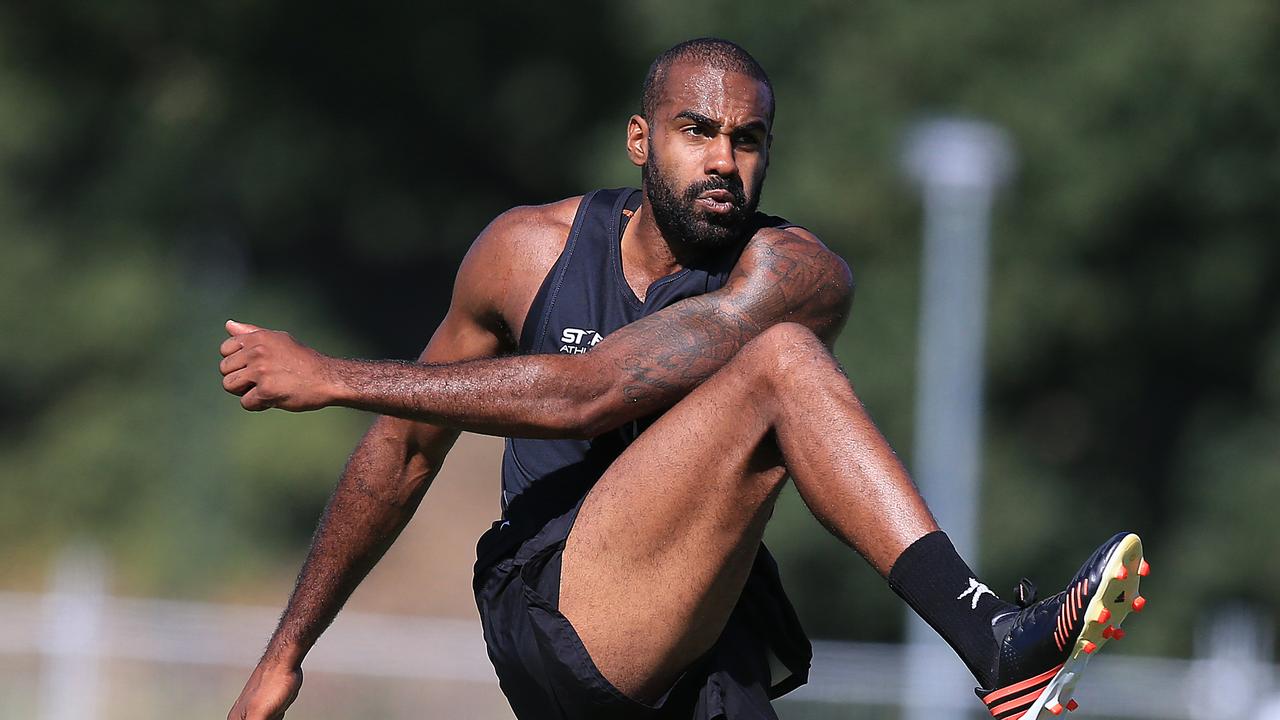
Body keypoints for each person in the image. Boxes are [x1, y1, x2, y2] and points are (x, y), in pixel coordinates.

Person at [219, 38, 1147, 720]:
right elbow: (402, 455)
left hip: (702, 651)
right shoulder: (524, 252)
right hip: (556, 616)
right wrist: (285, 653)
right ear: (639, 138)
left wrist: (333, 374)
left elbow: (593, 391)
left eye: (748, 140)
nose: (722, 160)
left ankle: (1001, 656)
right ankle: (994, 643)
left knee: (782, 352)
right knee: (782, 365)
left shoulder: (794, 274)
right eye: (695, 130)